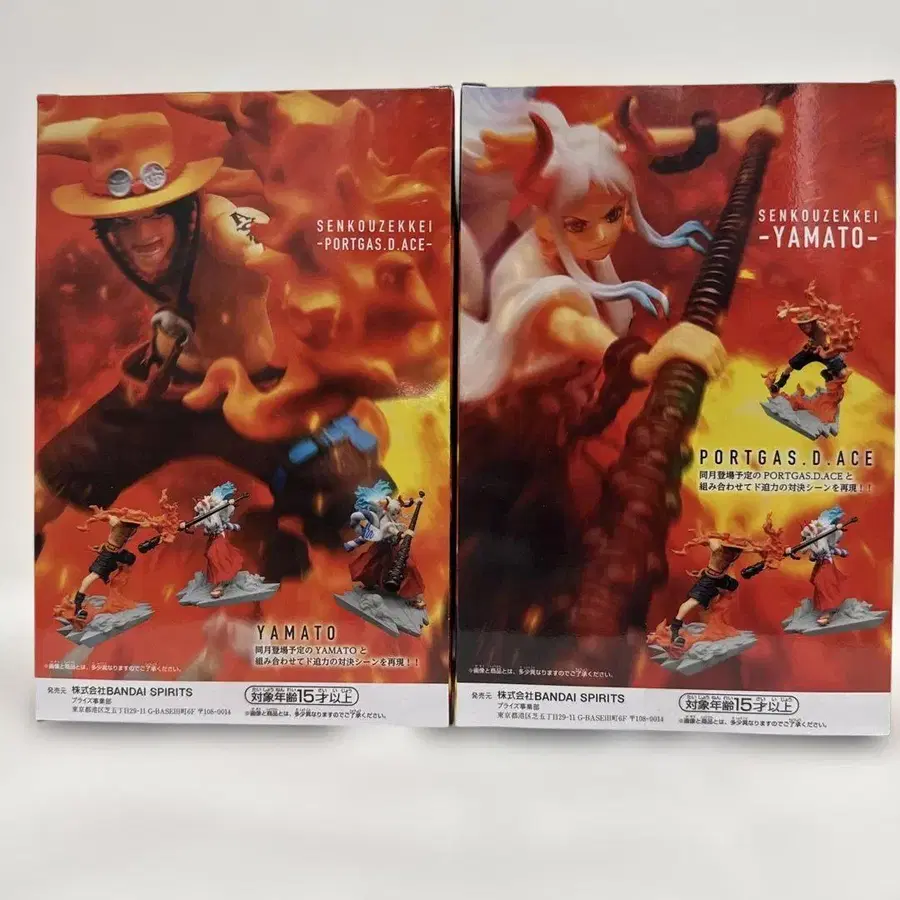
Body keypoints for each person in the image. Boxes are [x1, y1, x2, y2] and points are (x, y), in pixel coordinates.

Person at [35, 110, 390, 581]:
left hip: (253, 399)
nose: (142, 235)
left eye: (157, 213)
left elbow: (258, 240)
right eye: (124, 221)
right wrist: (36, 130)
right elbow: (98, 136)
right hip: (165, 391)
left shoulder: (217, 222)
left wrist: (273, 245)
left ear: (181, 204)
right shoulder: (132, 240)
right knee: (39, 491)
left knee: (367, 506)